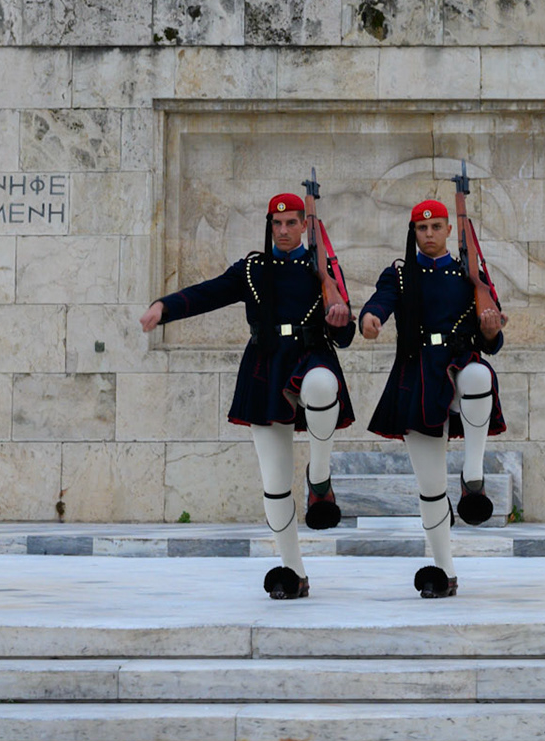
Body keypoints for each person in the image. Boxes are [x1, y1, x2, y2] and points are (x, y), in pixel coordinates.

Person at [139, 192, 354, 600]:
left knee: (324, 386)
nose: (285, 230)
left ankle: (319, 476)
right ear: (269, 226)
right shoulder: (253, 269)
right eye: (278, 223)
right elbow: (209, 292)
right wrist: (163, 307)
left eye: (292, 222)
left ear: (305, 226)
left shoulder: (322, 268)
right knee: (274, 482)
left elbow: (344, 336)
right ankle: (293, 571)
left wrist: (341, 318)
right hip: (266, 368)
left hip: (312, 356)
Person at [359, 198, 507, 598]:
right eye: (421, 229)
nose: (428, 235)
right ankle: (444, 569)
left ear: (448, 231)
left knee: (479, 374)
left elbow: (492, 341)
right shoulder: (401, 275)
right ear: (414, 233)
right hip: (417, 375)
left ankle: (473, 475)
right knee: (430, 486)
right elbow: (380, 302)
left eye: (436, 227)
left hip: (458, 362)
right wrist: (369, 318)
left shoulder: (468, 274)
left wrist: (491, 331)